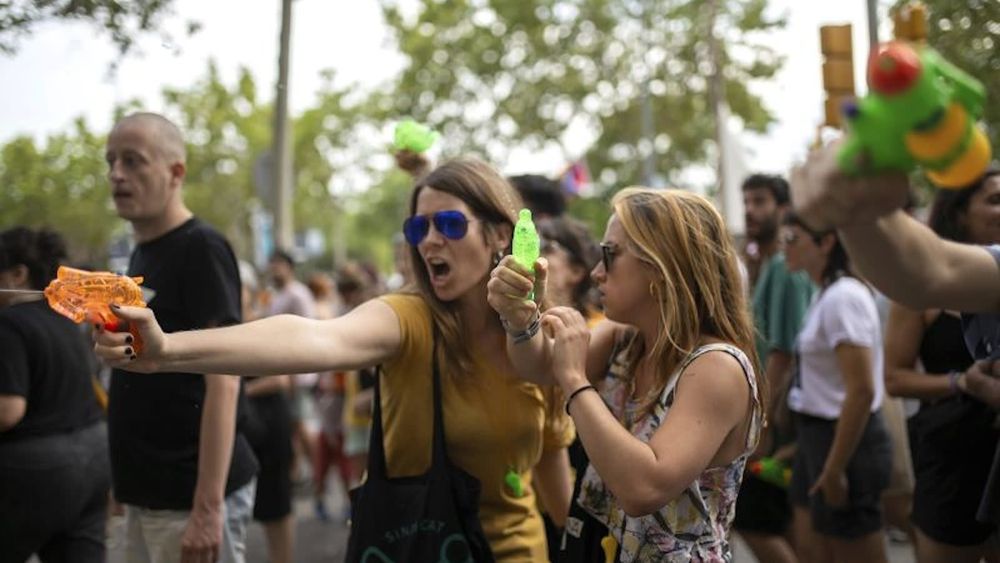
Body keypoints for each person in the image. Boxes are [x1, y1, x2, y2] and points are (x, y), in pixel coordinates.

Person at [95, 157, 575, 561]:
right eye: (418, 226)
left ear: (497, 236)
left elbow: (555, 476)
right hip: (416, 547)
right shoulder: (409, 318)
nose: (428, 241)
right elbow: (315, 338)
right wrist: (165, 349)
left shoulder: (542, 337)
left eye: (449, 224)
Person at [488, 187, 764, 560]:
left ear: (662, 265)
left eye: (610, 255)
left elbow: (643, 490)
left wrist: (575, 381)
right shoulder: (626, 339)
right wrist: (519, 320)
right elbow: (537, 365)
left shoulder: (716, 366)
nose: (597, 272)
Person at [104, 112, 257, 563]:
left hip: (188, 496)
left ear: (175, 173)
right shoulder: (141, 248)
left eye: (133, 161)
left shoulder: (201, 246)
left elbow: (225, 380)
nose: (116, 174)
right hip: (143, 493)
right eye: (111, 161)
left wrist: (207, 510)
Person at [882, 171, 1000, 562]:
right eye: (994, 200)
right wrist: (959, 382)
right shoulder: (921, 289)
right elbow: (894, 378)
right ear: (959, 212)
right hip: (952, 459)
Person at [781, 212, 891, 563]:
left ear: (826, 241)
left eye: (793, 237)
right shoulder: (827, 293)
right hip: (821, 438)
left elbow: (860, 390)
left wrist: (834, 468)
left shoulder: (844, 296)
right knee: (815, 549)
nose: (786, 246)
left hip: (846, 444)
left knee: (850, 548)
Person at [0, 227, 111, 562]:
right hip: (94, 459)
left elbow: (8, 410)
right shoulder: (63, 321)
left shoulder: (9, 324)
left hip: (35, 470)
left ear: (18, 274)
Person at [738, 173, 815, 563]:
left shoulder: (786, 266)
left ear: (783, 209)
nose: (750, 211)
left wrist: (763, 425)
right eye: (746, 201)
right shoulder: (766, 263)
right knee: (779, 520)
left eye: (760, 201)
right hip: (773, 410)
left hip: (778, 413)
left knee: (754, 518)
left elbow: (784, 352)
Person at [239, 260, 296, 563]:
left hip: (271, 423)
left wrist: (239, 392)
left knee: (276, 506)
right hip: (245, 425)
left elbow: (280, 380)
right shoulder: (225, 329)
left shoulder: (263, 327)